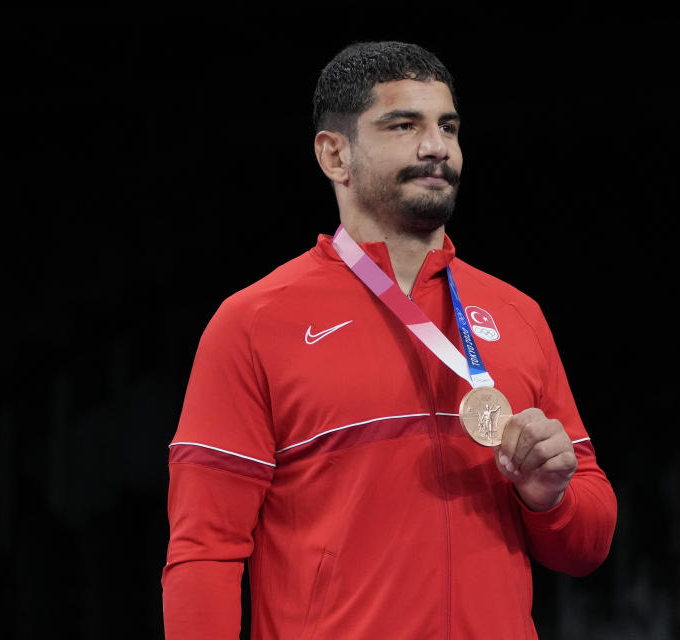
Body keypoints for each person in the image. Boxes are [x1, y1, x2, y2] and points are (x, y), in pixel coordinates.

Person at [162, 41, 617, 639]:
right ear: (334, 155)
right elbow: (205, 552)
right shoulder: (253, 322)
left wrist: (547, 498)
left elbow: (588, 543)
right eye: (404, 125)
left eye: (447, 126)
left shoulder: (517, 313)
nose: (437, 147)